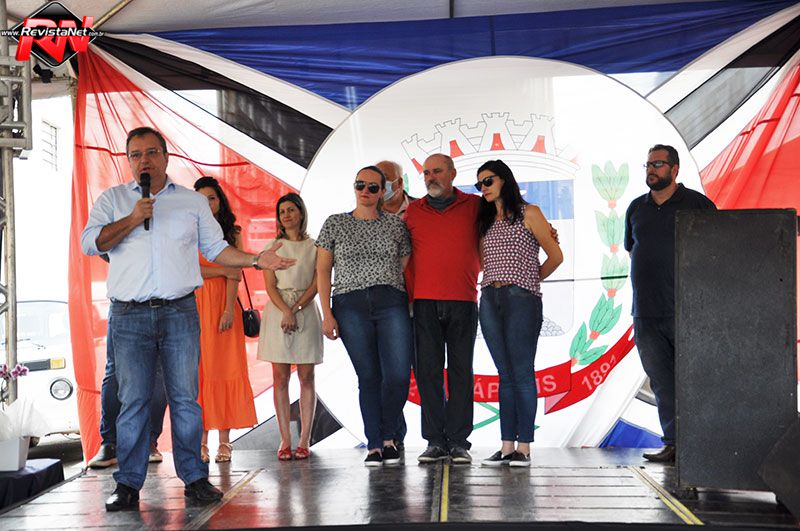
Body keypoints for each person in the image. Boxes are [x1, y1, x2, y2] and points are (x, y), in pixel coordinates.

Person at [81, 126, 295, 512]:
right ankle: (127, 483)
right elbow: (90, 243)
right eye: (135, 155)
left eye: (151, 152)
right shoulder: (113, 200)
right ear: (128, 161)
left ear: (165, 157)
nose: (143, 161)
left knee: (185, 398)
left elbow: (216, 249)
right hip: (129, 315)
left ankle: (194, 478)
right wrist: (132, 218)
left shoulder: (191, 202)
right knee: (133, 400)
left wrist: (255, 259)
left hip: (179, 310)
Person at [624, 144, 716, 464]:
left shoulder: (698, 204)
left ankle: (703, 449)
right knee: (662, 383)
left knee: (695, 381)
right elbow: (632, 250)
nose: (651, 169)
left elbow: (719, 249)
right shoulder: (636, 208)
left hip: (688, 312)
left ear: (675, 169)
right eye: (648, 164)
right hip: (646, 312)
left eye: (658, 164)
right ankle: (674, 444)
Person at [316, 165, 413, 467]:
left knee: (398, 375)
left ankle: (389, 435)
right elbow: (322, 271)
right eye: (360, 185)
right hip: (349, 302)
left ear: (383, 191)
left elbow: (405, 263)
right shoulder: (335, 223)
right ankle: (375, 443)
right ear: (354, 187)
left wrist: (386, 281)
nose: (366, 191)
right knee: (369, 376)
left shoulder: (396, 225)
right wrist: (326, 314)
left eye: (373, 187)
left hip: (390, 299)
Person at [473, 160, 563, 467]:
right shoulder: (484, 221)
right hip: (489, 296)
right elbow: (484, 262)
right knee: (505, 374)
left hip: (521, 298)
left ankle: (524, 446)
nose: (483, 188)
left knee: (522, 372)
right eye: (479, 184)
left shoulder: (529, 212)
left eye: (488, 181)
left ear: (504, 180)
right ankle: (506, 446)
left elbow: (556, 256)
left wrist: (529, 280)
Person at [403, 153, 481, 464]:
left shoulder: (475, 206)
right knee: (428, 374)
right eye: (426, 173)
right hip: (423, 303)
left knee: (461, 372)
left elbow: (508, 219)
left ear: (452, 173)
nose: (431, 178)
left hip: (464, 300)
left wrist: (544, 230)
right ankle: (435, 441)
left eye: (437, 171)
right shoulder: (413, 211)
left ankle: (459, 442)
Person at [193, 176, 258, 464]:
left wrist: (229, 310)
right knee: (198, 373)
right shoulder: (188, 230)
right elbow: (191, 270)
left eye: (212, 198)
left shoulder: (232, 232)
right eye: (201, 199)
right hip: (194, 305)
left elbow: (237, 272)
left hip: (223, 304)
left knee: (224, 368)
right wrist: (221, 270)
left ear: (220, 201)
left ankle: (224, 441)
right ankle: (200, 441)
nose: (207, 203)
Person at [257, 192, 323, 461]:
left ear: (301, 213)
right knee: (280, 377)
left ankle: (305, 439)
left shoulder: (315, 246)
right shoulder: (272, 248)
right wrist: (285, 311)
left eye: (291, 210)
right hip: (278, 312)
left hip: (305, 310)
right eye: (282, 211)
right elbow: (270, 286)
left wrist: (295, 309)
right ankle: (285, 439)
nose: (286, 215)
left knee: (306, 377)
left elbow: (317, 283)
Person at [86, 314, 168, 468]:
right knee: (115, 371)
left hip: (159, 307)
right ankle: (110, 443)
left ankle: (149, 441)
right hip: (123, 307)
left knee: (157, 371)